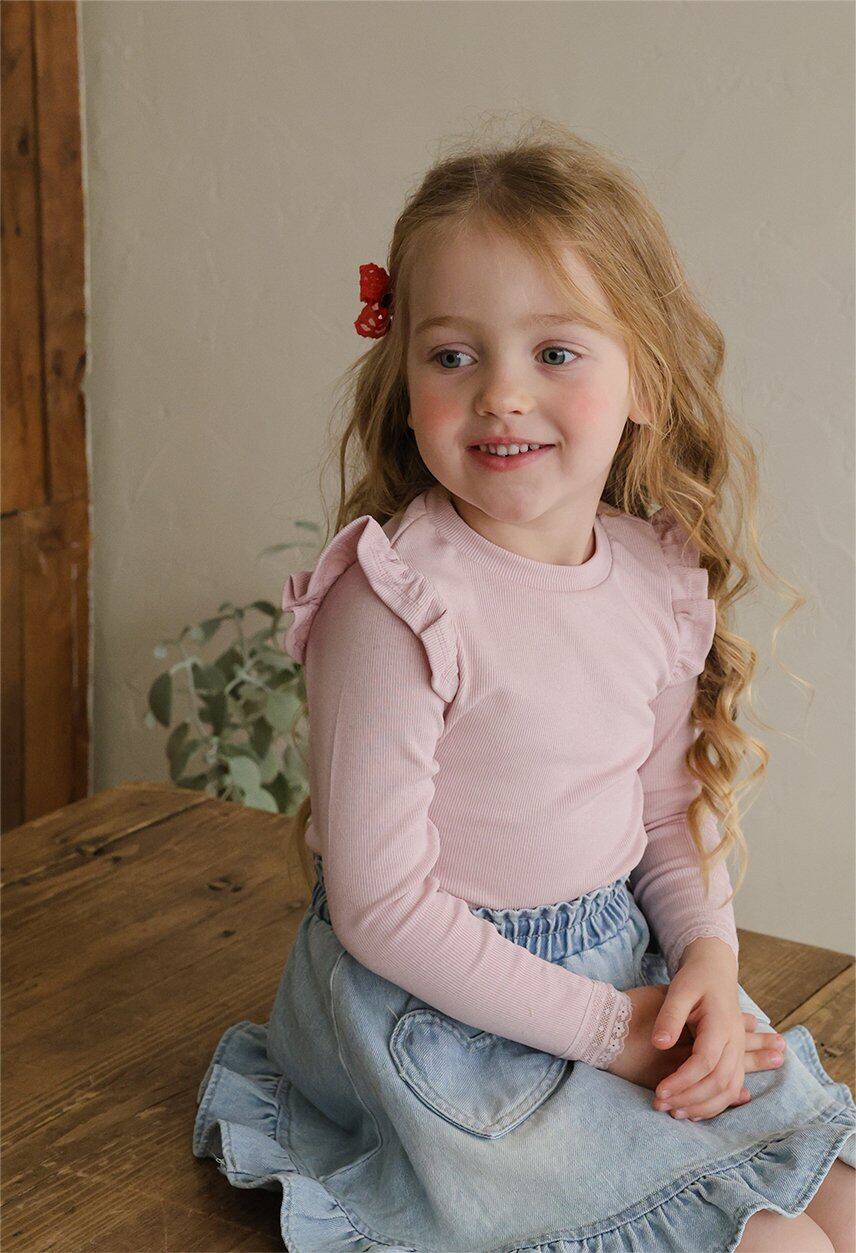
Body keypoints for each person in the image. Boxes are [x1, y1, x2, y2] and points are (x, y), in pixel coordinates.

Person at [192, 119, 855, 1251]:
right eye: (454, 355)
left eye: (554, 353)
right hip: (440, 1015)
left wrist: (708, 952)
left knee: (840, 1201)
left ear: (644, 378)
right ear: (405, 377)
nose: (501, 393)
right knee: (779, 1245)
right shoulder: (396, 605)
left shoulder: (652, 575)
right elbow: (383, 909)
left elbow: (662, 811)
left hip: (625, 975)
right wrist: (607, 1030)